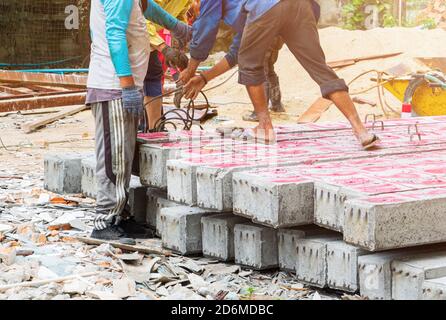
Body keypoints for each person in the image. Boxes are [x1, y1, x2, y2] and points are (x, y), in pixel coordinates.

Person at [180, 0, 379, 147]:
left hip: (267, 7)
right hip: (301, 6)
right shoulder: (242, 9)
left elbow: (205, 27)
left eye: (192, 8)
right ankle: (360, 130)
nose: (194, 10)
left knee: (250, 66)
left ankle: (265, 127)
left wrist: (190, 70)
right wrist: (204, 78)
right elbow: (236, 53)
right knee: (320, 68)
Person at [86, 0, 191, 242]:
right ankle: (104, 221)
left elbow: (144, 6)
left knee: (123, 157)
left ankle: (120, 217)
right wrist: (126, 84)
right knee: (114, 157)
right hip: (113, 85)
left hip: (124, 84)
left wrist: (176, 26)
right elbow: (114, 31)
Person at [144, 0, 193, 131]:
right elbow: (139, 19)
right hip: (131, 36)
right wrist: (163, 47)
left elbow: (177, 13)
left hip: (154, 36)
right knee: (137, 82)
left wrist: (179, 37)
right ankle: (142, 125)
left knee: (154, 75)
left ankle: (154, 128)